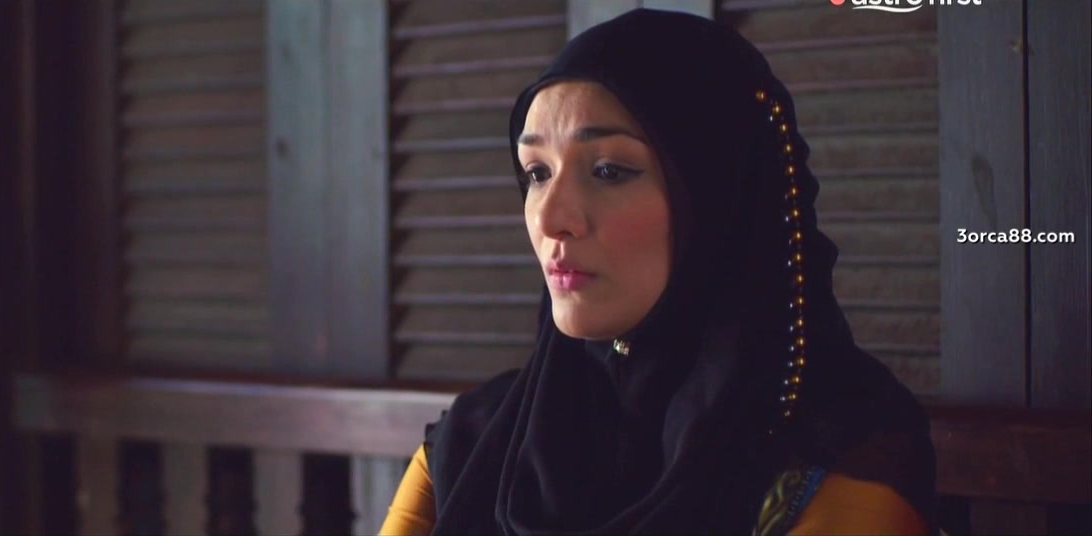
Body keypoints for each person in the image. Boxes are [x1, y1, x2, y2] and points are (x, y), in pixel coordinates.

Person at [380, 8, 938, 536]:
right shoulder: (475, 442)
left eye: (609, 170)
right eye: (537, 173)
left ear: (720, 198)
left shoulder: (838, 448)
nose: (550, 218)